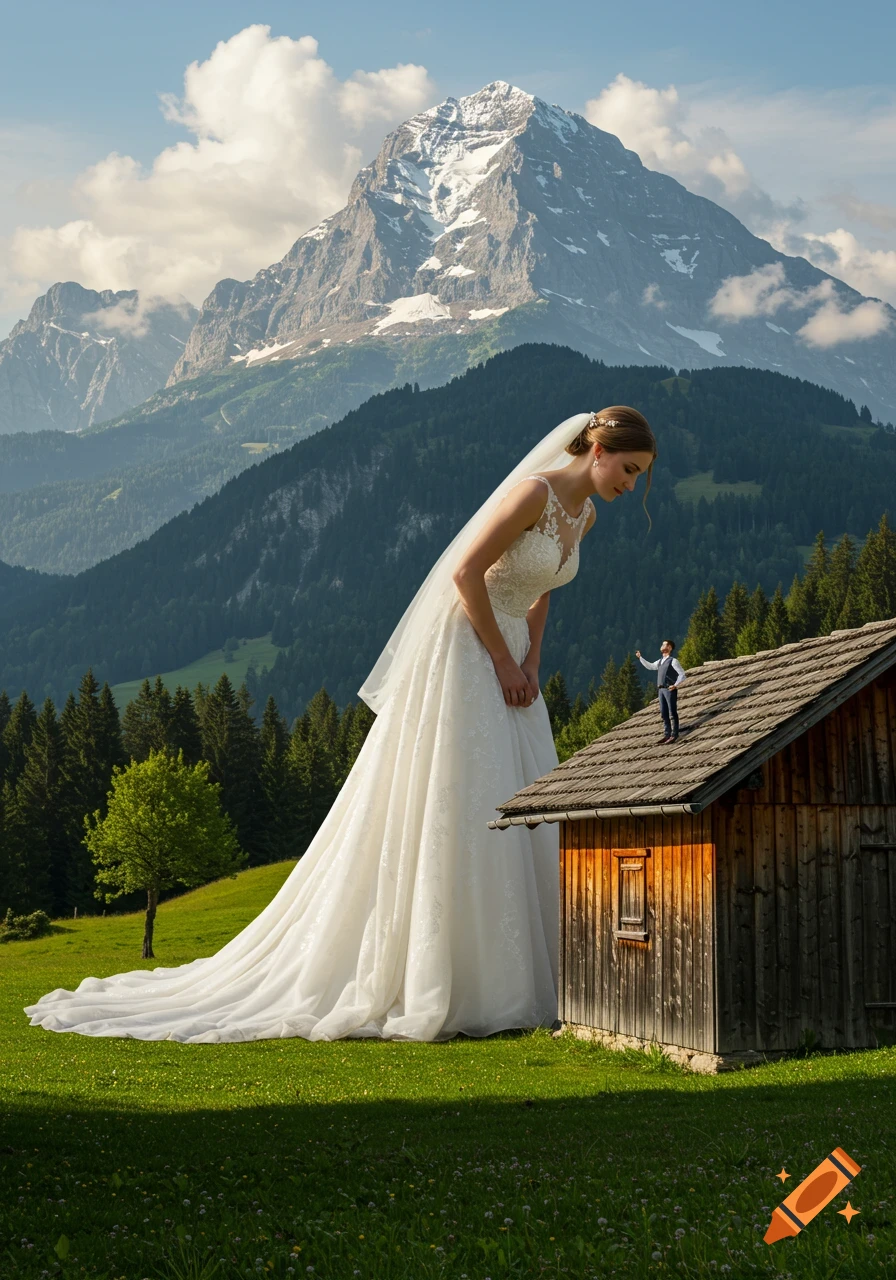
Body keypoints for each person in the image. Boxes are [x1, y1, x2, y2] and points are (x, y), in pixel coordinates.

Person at [26, 407, 657, 1044]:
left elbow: (542, 587)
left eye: (639, 476)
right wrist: (499, 658)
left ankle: (516, 973)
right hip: (467, 649)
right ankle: (444, 976)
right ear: (598, 447)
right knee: (460, 791)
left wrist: (530, 660)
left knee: (521, 800)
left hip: (513, 652)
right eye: (628, 469)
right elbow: (467, 574)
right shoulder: (533, 493)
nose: (630, 485)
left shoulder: (584, 515)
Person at [635, 640, 686, 743]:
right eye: (662, 644)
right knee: (664, 713)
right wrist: (640, 658)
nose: (662, 646)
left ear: (670, 648)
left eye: (665, 644)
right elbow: (650, 666)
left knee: (672, 712)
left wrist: (675, 685)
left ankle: (674, 734)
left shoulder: (673, 661)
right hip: (661, 690)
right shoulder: (659, 661)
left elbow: (682, 674)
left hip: (668, 689)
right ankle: (667, 734)